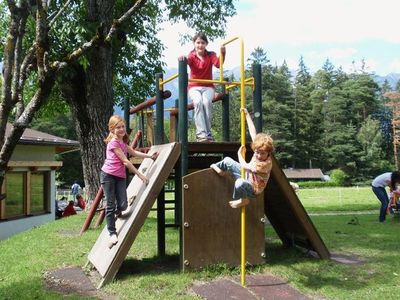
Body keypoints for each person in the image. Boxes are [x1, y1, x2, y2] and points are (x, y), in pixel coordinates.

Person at [101, 115, 159, 247]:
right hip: (108, 176)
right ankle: (112, 233)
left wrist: (150, 156)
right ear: (112, 129)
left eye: (122, 127)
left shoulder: (122, 142)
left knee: (123, 206)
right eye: (118, 127)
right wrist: (140, 175)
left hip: (119, 176)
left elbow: (133, 152)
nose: (121, 129)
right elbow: (126, 161)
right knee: (110, 204)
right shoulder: (113, 143)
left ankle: (113, 213)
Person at [210, 108, 274, 208]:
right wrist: (247, 115)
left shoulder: (265, 164)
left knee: (239, 183)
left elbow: (245, 166)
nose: (259, 156)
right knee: (227, 160)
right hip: (247, 176)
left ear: (268, 153)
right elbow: (253, 133)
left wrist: (239, 154)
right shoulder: (258, 148)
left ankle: (243, 200)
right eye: (257, 152)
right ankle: (221, 170)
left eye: (262, 154)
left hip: (253, 188)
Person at [179, 32, 225, 142]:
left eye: (202, 43)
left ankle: (208, 133)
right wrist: (183, 58)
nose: (200, 45)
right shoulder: (192, 56)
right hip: (194, 86)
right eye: (198, 43)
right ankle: (201, 134)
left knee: (206, 103)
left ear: (206, 44)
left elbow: (218, 64)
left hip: (208, 86)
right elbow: (187, 60)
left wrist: (222, 53)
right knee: (198, 102)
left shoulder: (211, 55)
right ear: (194, 44)